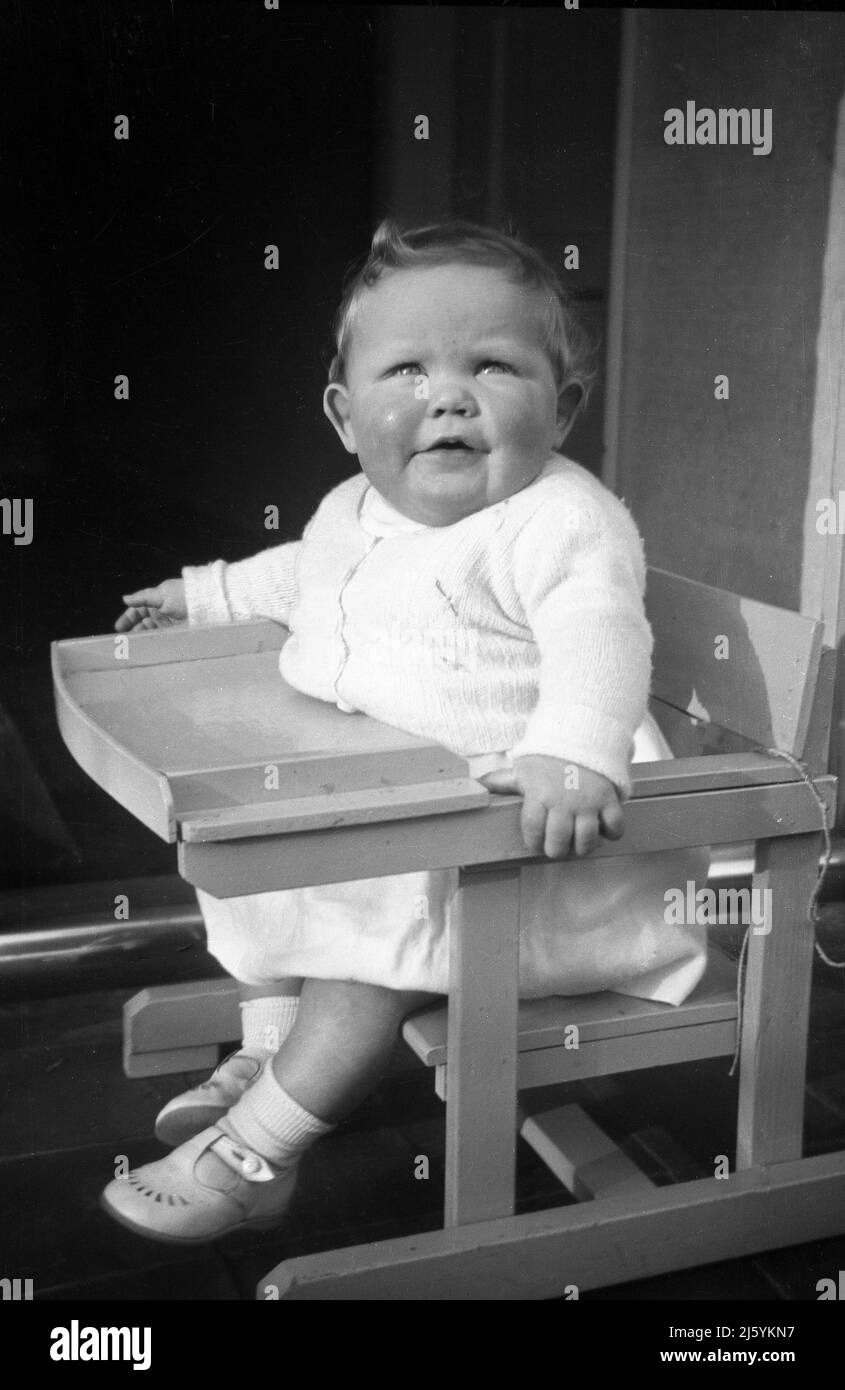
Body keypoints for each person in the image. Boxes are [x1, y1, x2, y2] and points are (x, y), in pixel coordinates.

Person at [101, 219, 709, 1242]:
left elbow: (598, 633)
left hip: (517, 853)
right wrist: (201, 596)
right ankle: (272, 1040)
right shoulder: (353, 508)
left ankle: (259, 1148)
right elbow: (296, 575)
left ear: (561, 409)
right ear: (345, 416)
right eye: (407, 369)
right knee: (242, 866)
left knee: (362, 956)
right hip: (381, 807)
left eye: (491, 366)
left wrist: (571, 747)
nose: (446, 393)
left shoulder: (558, 521)